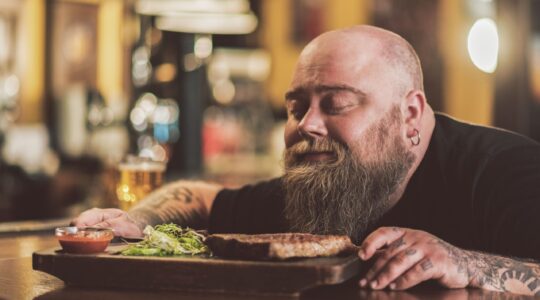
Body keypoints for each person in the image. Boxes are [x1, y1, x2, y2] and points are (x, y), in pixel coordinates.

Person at [72, 25, 540, 296]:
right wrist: (136, 219)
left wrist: (468, 264)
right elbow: (199, 197)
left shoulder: (505, 171)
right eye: (296, 107)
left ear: (411, 113)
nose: (307, 125)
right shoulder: (325, 181)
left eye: (336, 103)